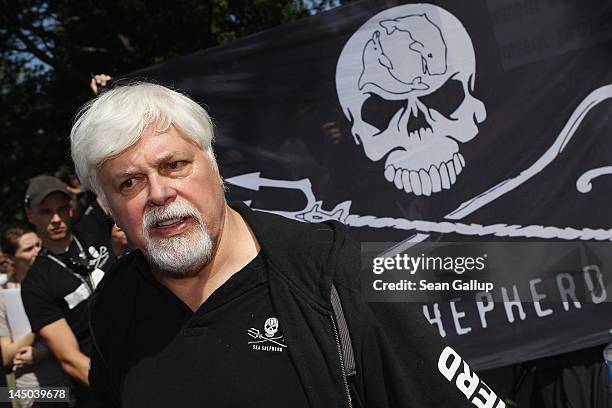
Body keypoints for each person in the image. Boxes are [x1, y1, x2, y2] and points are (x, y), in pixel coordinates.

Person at [70, 83, 504, 407]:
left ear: (215, 168)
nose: (160, 194)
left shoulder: (333, 276)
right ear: (108, 206)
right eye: (129, 182)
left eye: (175, 165)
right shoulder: (112, 309)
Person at [20, 175, 115, 407]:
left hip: (144, 352)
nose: (56, 219)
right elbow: (70, 359)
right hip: (102, 383)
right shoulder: (36, 283)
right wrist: (118, 391)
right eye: (45, 211)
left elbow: (112, 180)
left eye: (62, 209)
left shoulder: (93, 227)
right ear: (30, 215)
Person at [0, 224, 66, 407]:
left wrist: (43, 351)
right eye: (29, 249)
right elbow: (6, 356)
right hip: (30, 390)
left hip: (67, 379)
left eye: (39, 245)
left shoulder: (57, 281)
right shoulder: (4, 295)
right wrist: (38, 327)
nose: (37, 251)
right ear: (10, 257)